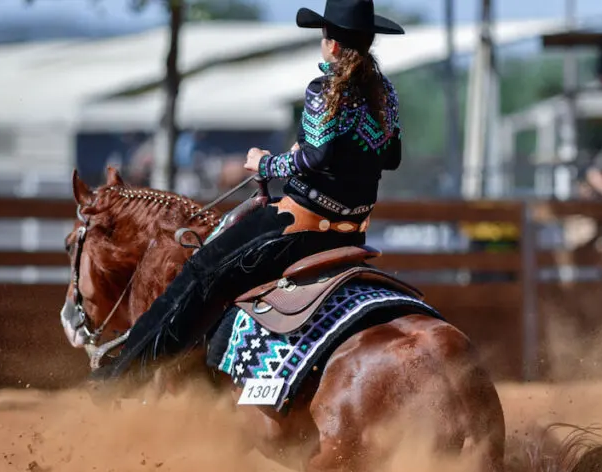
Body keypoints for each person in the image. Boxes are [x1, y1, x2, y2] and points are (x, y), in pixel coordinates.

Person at [93, 0, 405, 381]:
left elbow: (316, 157)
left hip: (299, 226)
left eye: (324, 38)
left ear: (333, 46)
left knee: (201, 272)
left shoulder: (324, 90)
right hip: (354, 231)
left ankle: (124, 374)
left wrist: (265, 164)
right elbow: (391, 158)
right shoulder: (384, 94)